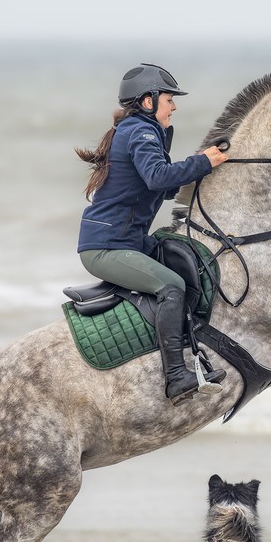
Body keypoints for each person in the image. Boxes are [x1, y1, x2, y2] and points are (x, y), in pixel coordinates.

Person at [75, 63, 228, 404]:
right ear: (148, 102)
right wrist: (202, 162)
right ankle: (176, 377)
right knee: (171, 285)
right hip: (106, 247)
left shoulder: (139, 132)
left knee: (180, 256)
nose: (173, 106)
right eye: (169, 100)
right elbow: (159, 178)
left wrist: (202, 164)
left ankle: (198, 357)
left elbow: (163, 187)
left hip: (127, 240)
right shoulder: (139, 133)